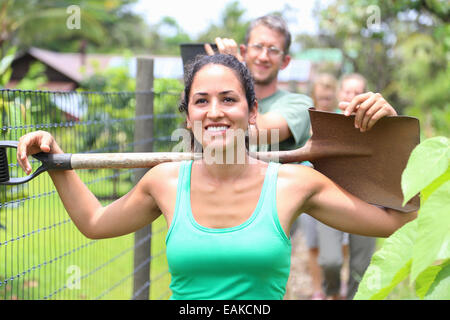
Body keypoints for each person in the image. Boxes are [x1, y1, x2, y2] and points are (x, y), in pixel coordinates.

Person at [16, 54, 416, 300]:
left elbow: (395, 221)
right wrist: (54, 161)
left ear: (252, 110)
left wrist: (389, 135)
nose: (215, 112)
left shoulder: (296, 183)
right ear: (188, 115)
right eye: (201, 101)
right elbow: (95, 223)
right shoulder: (165, 181)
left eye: (229, 99)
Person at [205, 15, 312, 153]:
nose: (263, 57)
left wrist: (232, 71)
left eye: (273, 50)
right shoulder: (217, 102)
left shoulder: (300, 104)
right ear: (243, 52)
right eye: (257, 47)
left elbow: (257, 132)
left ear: (285, 61)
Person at [315, 72, 379, 300]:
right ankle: (331, 293)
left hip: (367, 200)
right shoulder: (326, 123)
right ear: (340, 94)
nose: (352, 96)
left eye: (357, 92)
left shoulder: (377, 126)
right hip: (332, 199)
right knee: (330, 260)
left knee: (361, 267)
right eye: (347, 91)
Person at [300, 73, 350, 300]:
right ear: (315, 96)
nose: (325, 99)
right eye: (321, 95)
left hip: (339, 188)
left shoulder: (344, 120)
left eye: (329, 94)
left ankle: (336, 283)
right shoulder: (305, 121)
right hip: (309, 186)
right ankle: (319, 289)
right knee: (313, 244)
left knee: (340, 245)